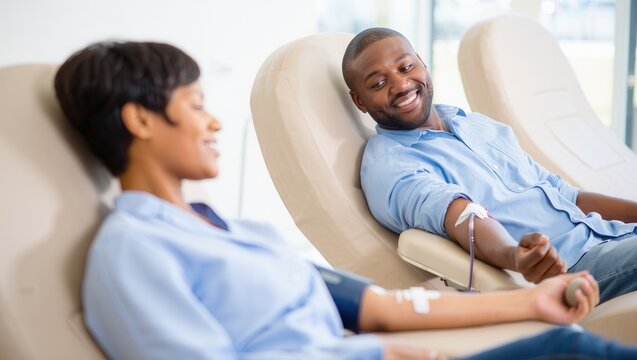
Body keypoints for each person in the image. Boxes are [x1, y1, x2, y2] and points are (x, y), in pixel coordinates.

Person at [54, 40, 635, 360]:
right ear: (140, 119)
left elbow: (379, 308)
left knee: (565, 345)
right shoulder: (135, 251)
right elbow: (461, 215)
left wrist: (532, 307)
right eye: (196, 103)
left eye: (406, 67)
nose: (214, 123)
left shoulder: (235, 233)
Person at [342, 27, 637, 304]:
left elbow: (566, 195)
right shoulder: (391, 165)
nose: (401, 85)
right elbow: (462, 216)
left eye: (406, 67)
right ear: (360, 101)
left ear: (422, 63)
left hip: (610, 235)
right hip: (571, 268)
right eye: (378, 83)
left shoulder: (473, 124)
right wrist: (516, 257)